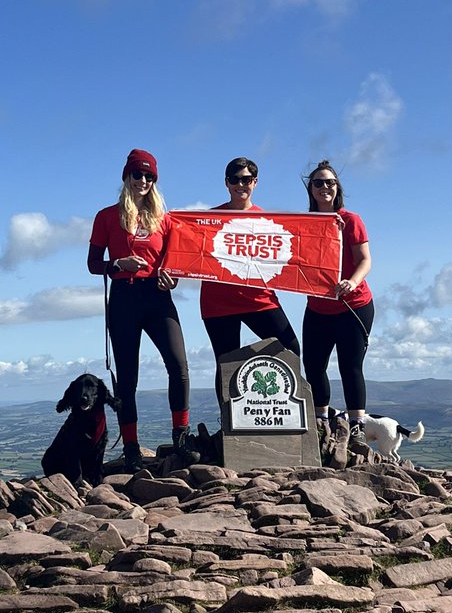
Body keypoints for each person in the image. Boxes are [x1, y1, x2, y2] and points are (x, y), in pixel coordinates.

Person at [88, 148, 198, 473]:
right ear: (127, 176)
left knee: (179, 366)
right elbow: (93, 264)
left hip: (157, 296)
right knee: (127, 378)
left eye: (150, 176)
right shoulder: (107, 216)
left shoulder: (165, 219)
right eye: (138, 174)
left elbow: (174, 264)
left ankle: (181, 437)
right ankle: (131, 448)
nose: (144, 181)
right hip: (124, 296)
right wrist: (117, 264)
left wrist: (172, 278)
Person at [200, 156, 300, 407]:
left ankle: (277, 409)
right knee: (225, 363)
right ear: (226, 182)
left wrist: (329, 226)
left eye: (246, 179)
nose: (240, 185)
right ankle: (228, 420)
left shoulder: (269, 221)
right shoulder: (208, 219)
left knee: (290, 348)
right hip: (218, 303)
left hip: (259, 299)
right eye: (234, 179)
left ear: (255, 182)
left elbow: (298, 248)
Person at [301, 160, 374, 438]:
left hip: (353, 306)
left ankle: (356, 425)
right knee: (314, 366)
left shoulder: (351, 220)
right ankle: (321, 421)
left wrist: (351, 282)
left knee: (350, 366)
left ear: (337, 187)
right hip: (318, 306)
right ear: (311, 188)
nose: (324, 187)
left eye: (330, 182)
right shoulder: (304, 224)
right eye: (318, 183)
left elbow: (365, 260)